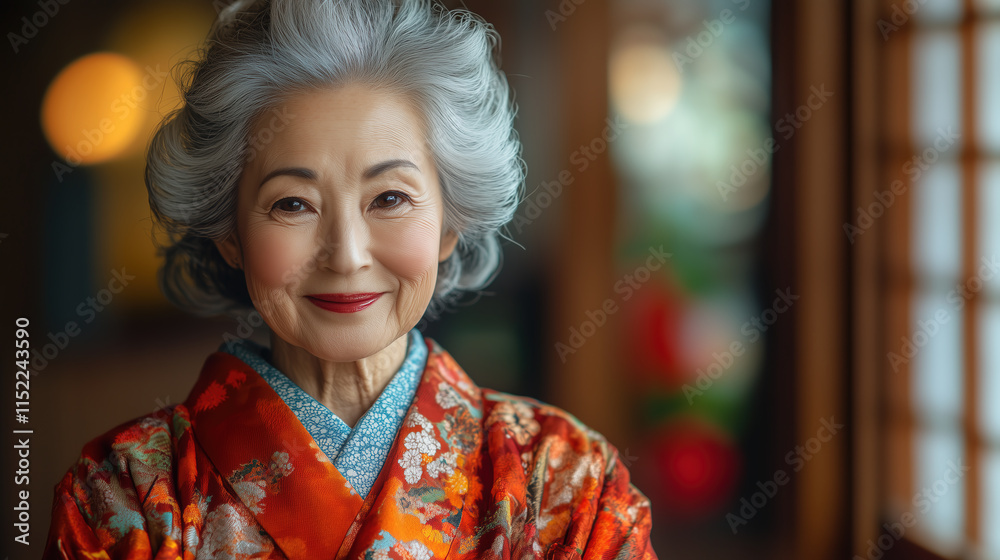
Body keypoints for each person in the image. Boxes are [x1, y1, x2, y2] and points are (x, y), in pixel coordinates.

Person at [43, 0, 657, 558]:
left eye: (389, 198)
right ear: (229, 233)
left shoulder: (571, 488)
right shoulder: (121, 496)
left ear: (450, 224)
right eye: (292, 204)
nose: (346, 255)